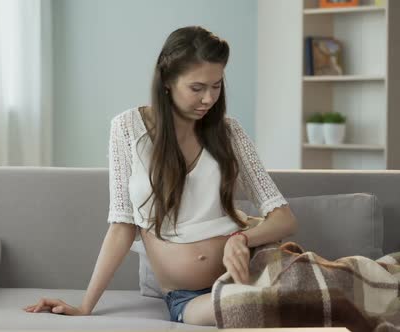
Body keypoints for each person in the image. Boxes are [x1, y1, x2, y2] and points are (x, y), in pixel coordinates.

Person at [23, 25, 298, 326]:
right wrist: (85, 306)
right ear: (167, 80)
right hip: (189, 297)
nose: (209, 98)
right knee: (250, 307)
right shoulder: (128, 128)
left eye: (216, 86)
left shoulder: (229, 132)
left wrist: (241, 238)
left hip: (252, 270)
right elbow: (122, 225)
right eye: (197, 88)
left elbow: (284, 218)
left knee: (293, 295)